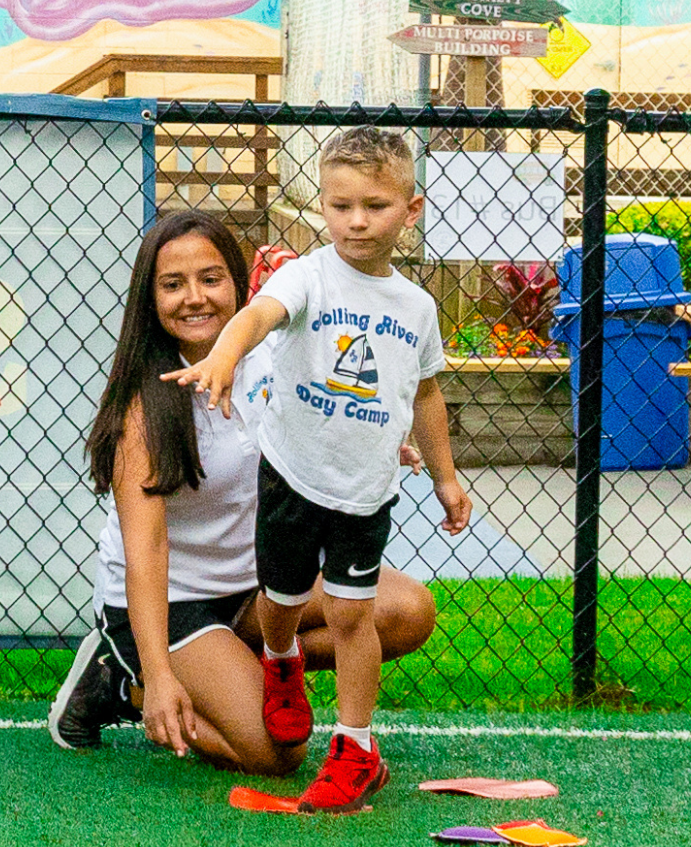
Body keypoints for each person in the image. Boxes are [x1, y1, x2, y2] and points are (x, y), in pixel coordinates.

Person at [50, 209, 436, 779]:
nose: (194, 298)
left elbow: (313, 428)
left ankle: (244, 667)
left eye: (210, 279)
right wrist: (157, 674)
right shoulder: (143, 408)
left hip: (259, 587)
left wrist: (367, 442)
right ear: (150, 299)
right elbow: (146, 553)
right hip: (174, 603)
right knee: (276, 754)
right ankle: (122, 683)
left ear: (238, 283)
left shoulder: (277, 357)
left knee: (407, 612)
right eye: (173, 284)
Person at [165, 127, 470, 811]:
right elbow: (257, 316)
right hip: (292, 481)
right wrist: (223, 356)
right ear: (322, 208)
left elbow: (424, 393)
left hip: (366, 495)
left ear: (410, 211)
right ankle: (281, 660)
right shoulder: (308, 276)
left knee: (352, 616)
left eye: (374, 205)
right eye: (340, 206)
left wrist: (446, 476)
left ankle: (356, 749)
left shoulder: (417, 308)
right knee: (280, 602)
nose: (356, 221)